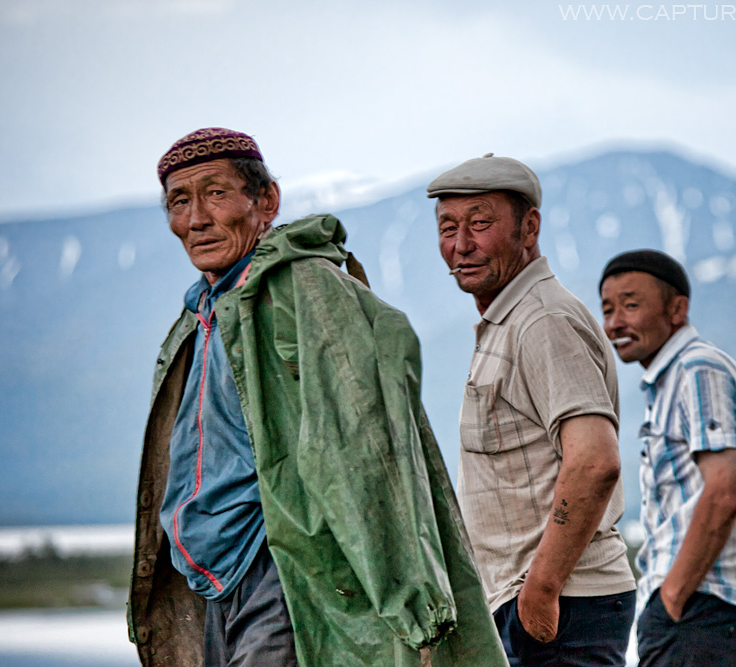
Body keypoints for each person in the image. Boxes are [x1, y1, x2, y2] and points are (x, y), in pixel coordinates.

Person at [128, 128, 508, 667]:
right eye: (179, 202)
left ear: (267, 201)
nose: (195, 219)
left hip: (287, 568)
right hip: (213, 584)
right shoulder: (200, 315)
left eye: (215, 194)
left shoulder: (307, 290)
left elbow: (373, 445)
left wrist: (413, 599)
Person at [426, 154, 636, 666]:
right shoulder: (509, 318)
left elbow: (594, 462)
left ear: (529, 227)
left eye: (480, 223)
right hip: (530, 602)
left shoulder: (543, 320)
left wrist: (539, 592)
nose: (461, 244)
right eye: (448, 227)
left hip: (560, 604)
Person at [598, 249, 736, 666]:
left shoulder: (698, 372)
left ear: (677, 309)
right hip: (696, 615)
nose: (615, 322)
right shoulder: (671, 379)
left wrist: (672, 598)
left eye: (631, 304)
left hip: (705, 612)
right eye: (607, 309)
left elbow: (723, 493)